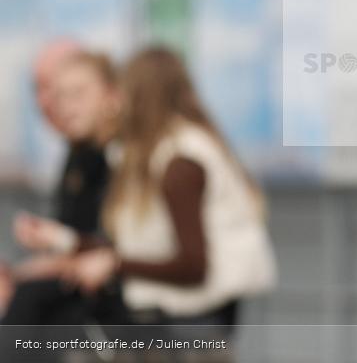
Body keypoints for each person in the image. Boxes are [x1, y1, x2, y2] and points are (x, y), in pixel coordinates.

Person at [56, 46, 277, 341]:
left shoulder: (181, 161)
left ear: (140, 96)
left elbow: (194, 265)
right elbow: (147, 247)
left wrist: (115, 264)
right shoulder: (169, 151)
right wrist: (63, 240)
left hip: (188, 329)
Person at [1, 49, 120, 360]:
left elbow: (111, 250)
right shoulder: (80, 152)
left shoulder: (123, 155)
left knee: (27, 306)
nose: (64, 107)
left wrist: (35, 266)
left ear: (113, 95)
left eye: (77, 94)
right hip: (85, 294)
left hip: (114, 305)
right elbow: (81, 241)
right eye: (59, 96)